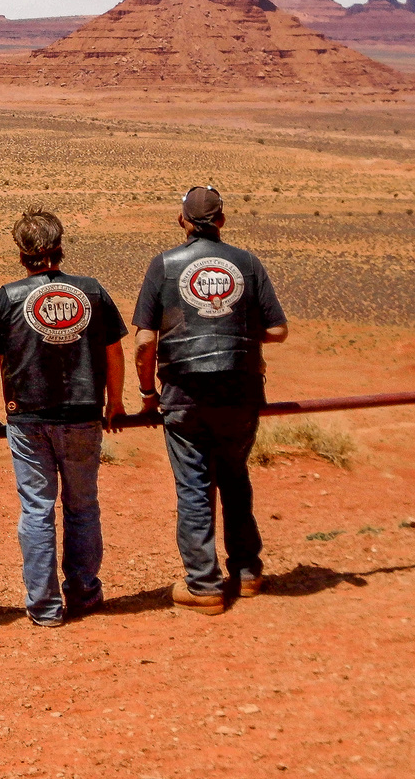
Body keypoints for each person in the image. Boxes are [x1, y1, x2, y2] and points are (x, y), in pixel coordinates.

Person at [132, 186, 288, 615]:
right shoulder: (248, 263)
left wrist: (148, 393)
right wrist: (233, 332)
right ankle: (246, 574)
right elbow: (277, 331)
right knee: (235, 477)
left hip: (185, 391)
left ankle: (203, 585)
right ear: (221, 220)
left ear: (182, 220)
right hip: (241, 390)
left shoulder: (164, 265)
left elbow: (145, 339)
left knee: (194, 485)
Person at [0, 209, 127, 627]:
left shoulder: (6, 297)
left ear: (21, 252)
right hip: (83, 413)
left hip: (28, 419)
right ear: (59, 247)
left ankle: (44, 606)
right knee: (83, 506)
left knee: (37, 509)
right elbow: (114, 351)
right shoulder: (92, 292)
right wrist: (116, 403)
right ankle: (84, 593)